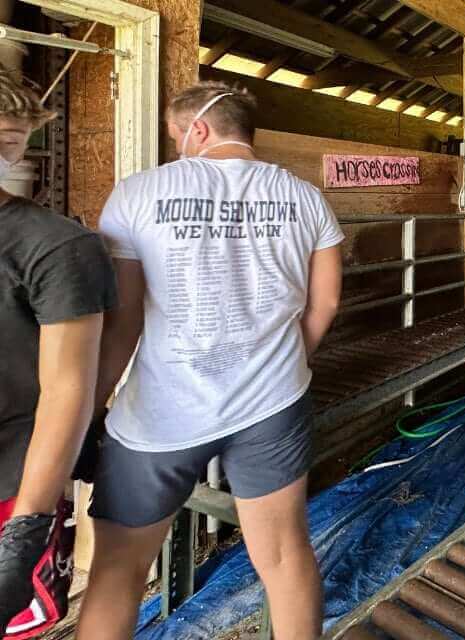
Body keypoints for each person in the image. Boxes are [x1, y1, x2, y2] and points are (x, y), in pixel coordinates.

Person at [78, 82, 344, 640]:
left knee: (119, 571)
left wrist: (89, 406)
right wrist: (291, 361)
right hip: (272, 403)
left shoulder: (137, 194)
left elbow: (124, 320)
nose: (177, 144)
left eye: (177, 135)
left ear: (197, 129)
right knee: (283, 555)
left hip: (159, 413)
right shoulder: (306, 197)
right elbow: (326, 303)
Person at [0, 72, 116, 639]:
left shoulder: (55, 247)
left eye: (7, 140)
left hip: (11, 484)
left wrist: (25, 528)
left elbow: (68, 389)